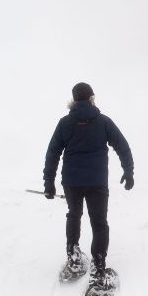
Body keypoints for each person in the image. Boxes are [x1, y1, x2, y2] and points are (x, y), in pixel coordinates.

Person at [43, 82, 134, 283]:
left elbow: (52, 153)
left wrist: (49, 182)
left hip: (72, 182)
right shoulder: (103, 122)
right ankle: (98, 266)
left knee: (74, 215)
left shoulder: (64, 124)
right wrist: (129, 172)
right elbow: (123, 146)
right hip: (96, 182)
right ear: (92, 98)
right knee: (99, 223)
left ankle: (74, 257)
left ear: (74, 100)